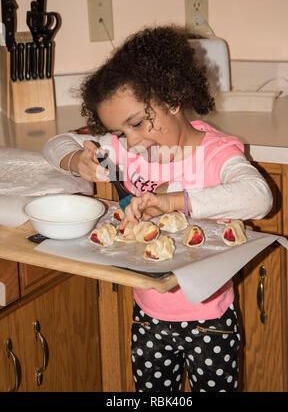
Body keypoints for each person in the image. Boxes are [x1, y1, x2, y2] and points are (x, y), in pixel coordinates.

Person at [42, 25, 273, 392]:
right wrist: (75, 160)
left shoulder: (215, 154)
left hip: (209, 318)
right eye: (120, 132)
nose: (130, 141)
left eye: (135, 123)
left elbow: (259, 197)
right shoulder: (131, 147)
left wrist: (177, 201)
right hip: (148, 315)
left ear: (172, 99)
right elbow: (55, 142)